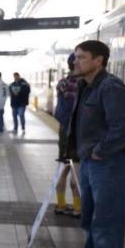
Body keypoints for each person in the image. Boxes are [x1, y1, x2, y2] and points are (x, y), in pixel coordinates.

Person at [61, 40, 125, 248]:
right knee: (90, 216)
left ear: (98, 60)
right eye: (75, 57)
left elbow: (122, 128)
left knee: (107, 220)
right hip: (90, 162)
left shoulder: (111, 88)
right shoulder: (86, 86)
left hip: (108, 163)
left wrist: (100, 152)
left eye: (81, 57)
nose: (75, 62)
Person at [54, 54, 81, 218]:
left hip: (64, 131)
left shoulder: (62, 82)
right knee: (76, 172)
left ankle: (61, 204)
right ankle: (78, 208)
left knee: (62, 169)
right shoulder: (81, 84)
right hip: (78, 132)